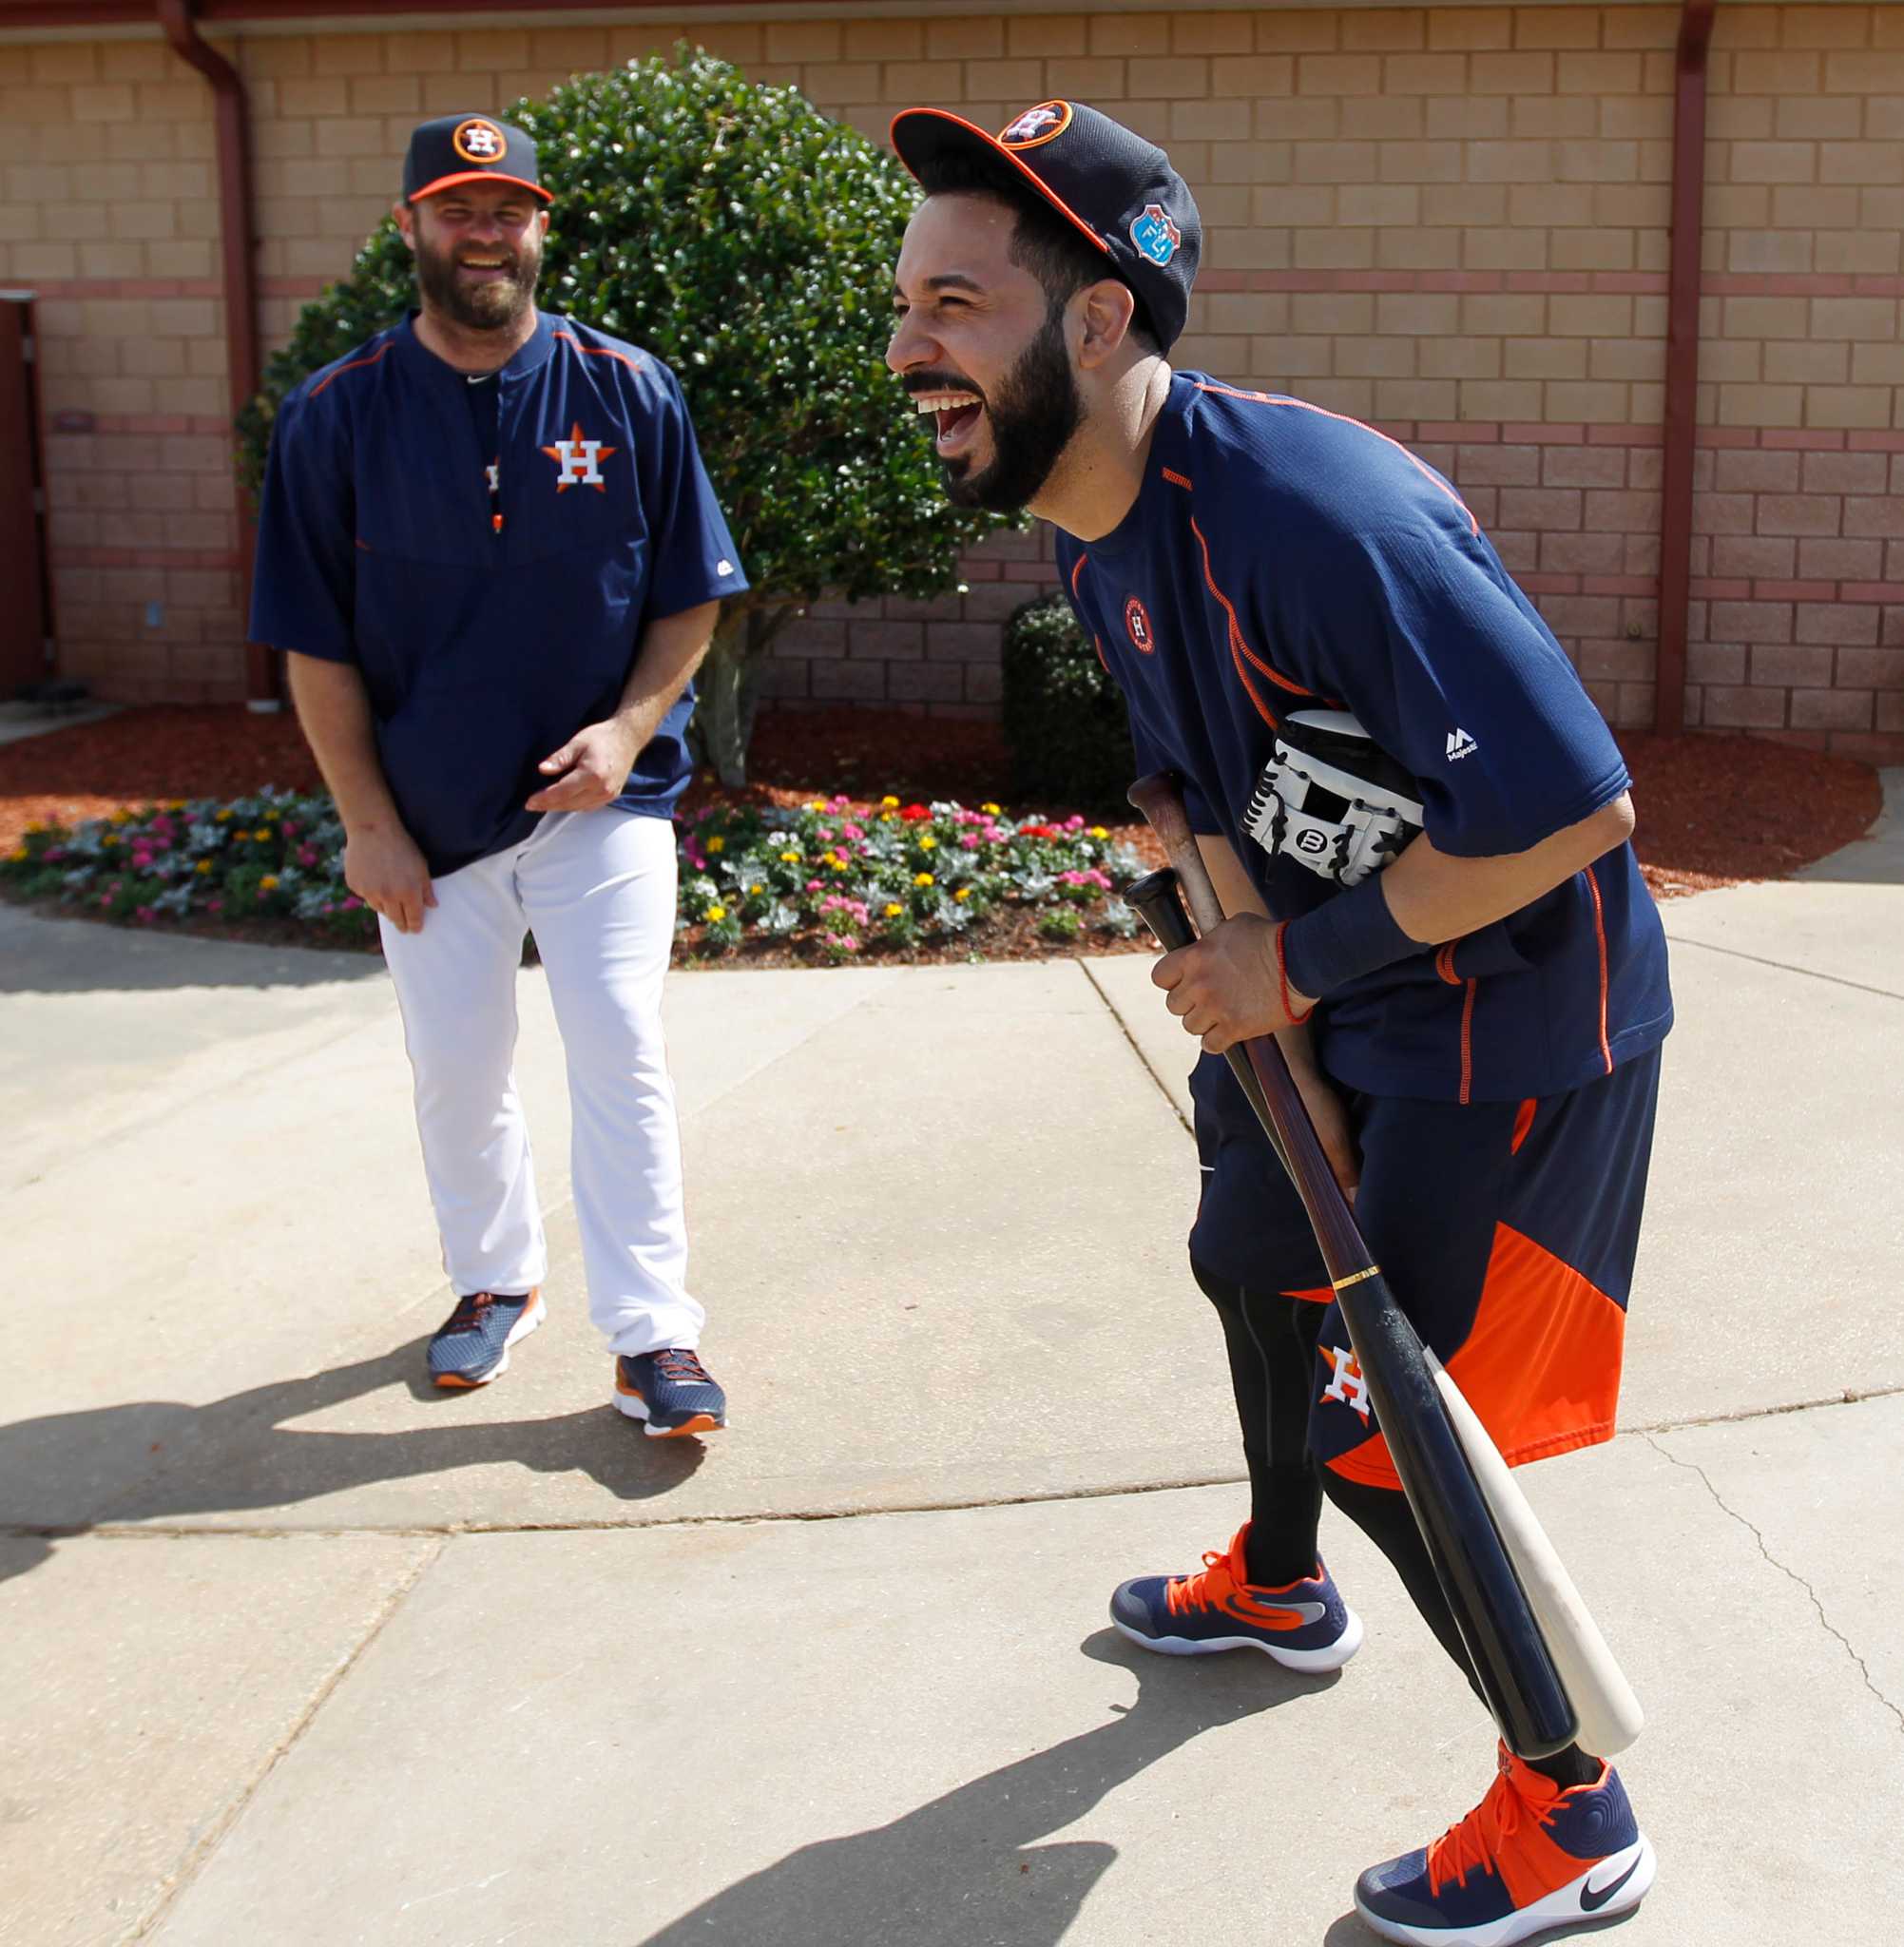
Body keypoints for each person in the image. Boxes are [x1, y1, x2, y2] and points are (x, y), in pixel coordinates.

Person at [886, 98, 1671, 1946]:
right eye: (907, 300)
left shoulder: (1320, 514)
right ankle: (1279, 1589)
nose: (911, 343)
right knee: (1251, 1249)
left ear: (1099, 323)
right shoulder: (1092, 529)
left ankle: (1574, 1806)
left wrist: (1292, 981)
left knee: (1396, 1431)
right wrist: (1281, 1045)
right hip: (1339, 987)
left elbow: (1571, 807)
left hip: (1515, 1021)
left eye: (958, 302)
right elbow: (1205, 807)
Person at [250, 113, 744, 1438]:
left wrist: (633, 734)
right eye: (458, 209)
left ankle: (655, 1338)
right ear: (408, 227)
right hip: (427, 823)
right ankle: (494, 1281)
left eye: (508, 208)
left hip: (602, 807)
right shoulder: (336, 414)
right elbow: (316, 646)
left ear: (541, 228)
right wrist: (369, 826)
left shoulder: (628, 388)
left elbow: (692, 597)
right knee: (458, 1073)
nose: (487, 232)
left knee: (621, 1050)